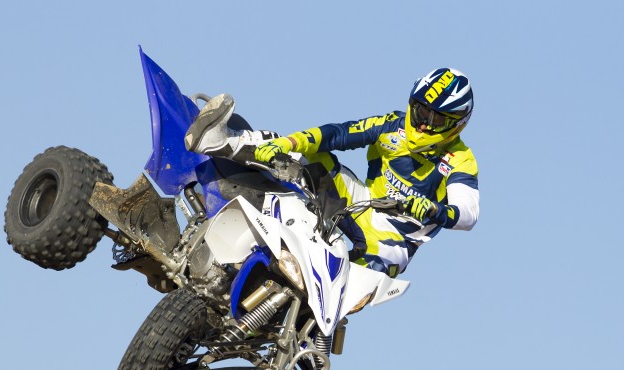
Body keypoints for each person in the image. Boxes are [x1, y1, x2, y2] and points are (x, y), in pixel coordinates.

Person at [184, 68, 479, 276]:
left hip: (395, 240)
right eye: (421, 110)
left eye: (437, 119)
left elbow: (468, 214)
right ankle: (224, 141)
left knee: (372, 275)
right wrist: (288, 143)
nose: (424, 123)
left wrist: (434, 210)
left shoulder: (461, 160)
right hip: (363, 203)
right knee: (307, 153)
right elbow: (339, 133)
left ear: (457, 124)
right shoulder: (393, 125)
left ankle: (304, 329)